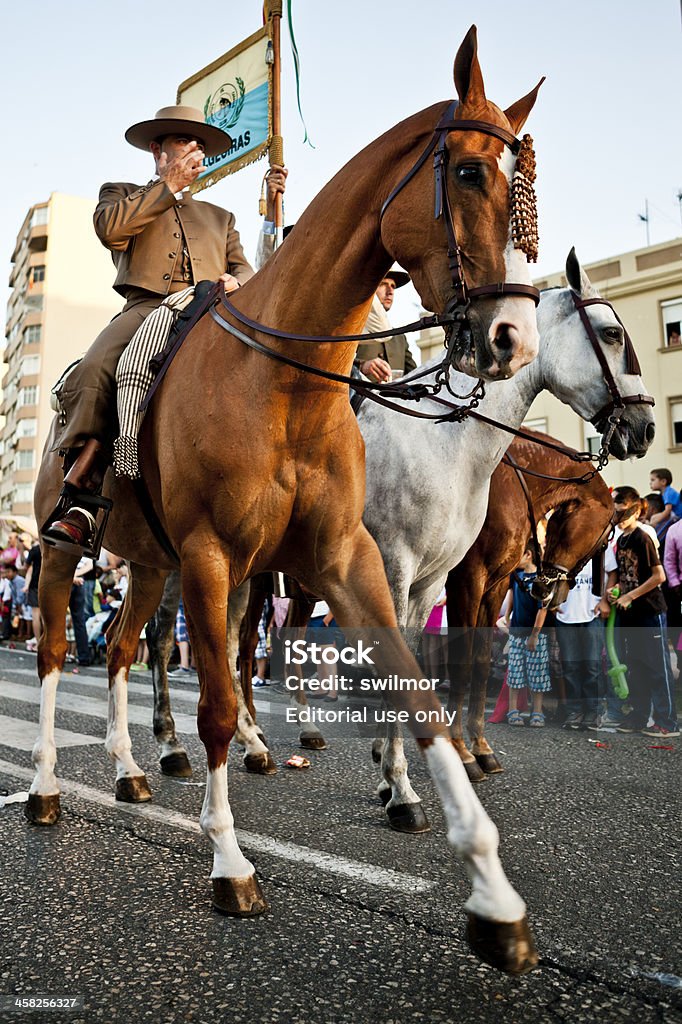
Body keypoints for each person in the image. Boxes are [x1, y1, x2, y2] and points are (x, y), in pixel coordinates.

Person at [42, 104, 287, 553]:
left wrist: (236, 281)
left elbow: (250, 274)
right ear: (157, 149)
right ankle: (81, 499)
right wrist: (167, 186)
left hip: (211, 312)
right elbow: (109, 231)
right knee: (97, 366)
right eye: (182, 142)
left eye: (198, 145)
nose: (193, 149)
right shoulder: (119, 193)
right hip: (145, 310)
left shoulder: (221, 218)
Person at [599, 486, 679, 738]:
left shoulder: (642, 537)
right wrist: (616, 592)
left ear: (634, 510)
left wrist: (630, 595)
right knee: (636, 668)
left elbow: (659, 576)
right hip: (629, 615)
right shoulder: (620, 540)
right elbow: (630, 576)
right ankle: (639, 716)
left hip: (649, 612)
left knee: (658, 668)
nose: (618, 519)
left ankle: (667, 722)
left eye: (622, 513)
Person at [503, 545, 550, 727]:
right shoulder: (517, 575)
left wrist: (534, 635)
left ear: (528, 554)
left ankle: (537, 711)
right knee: (514, 674)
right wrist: (507, 615)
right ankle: (513, 710)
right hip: (516, 631)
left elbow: (542, 610)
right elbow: (513, 595)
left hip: (535, 635)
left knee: (537, 675)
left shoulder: (541, 579)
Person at [554, 562, 604, 730]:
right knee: (570, 667)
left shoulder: (598, 549)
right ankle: (574, 711)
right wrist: (551, 601)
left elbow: (612, 572)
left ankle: (593, 711)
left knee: (592, 666)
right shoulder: (562, 547)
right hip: (565, 615)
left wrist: (604, 600)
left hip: (592, 613)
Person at [354, 268, 417, 383]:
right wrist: (362, 366)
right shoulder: (352, 329)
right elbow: (333, 362)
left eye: (393, 286)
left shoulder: (400, 338)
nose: (390, 291)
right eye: (383, 284)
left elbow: (414, 374)